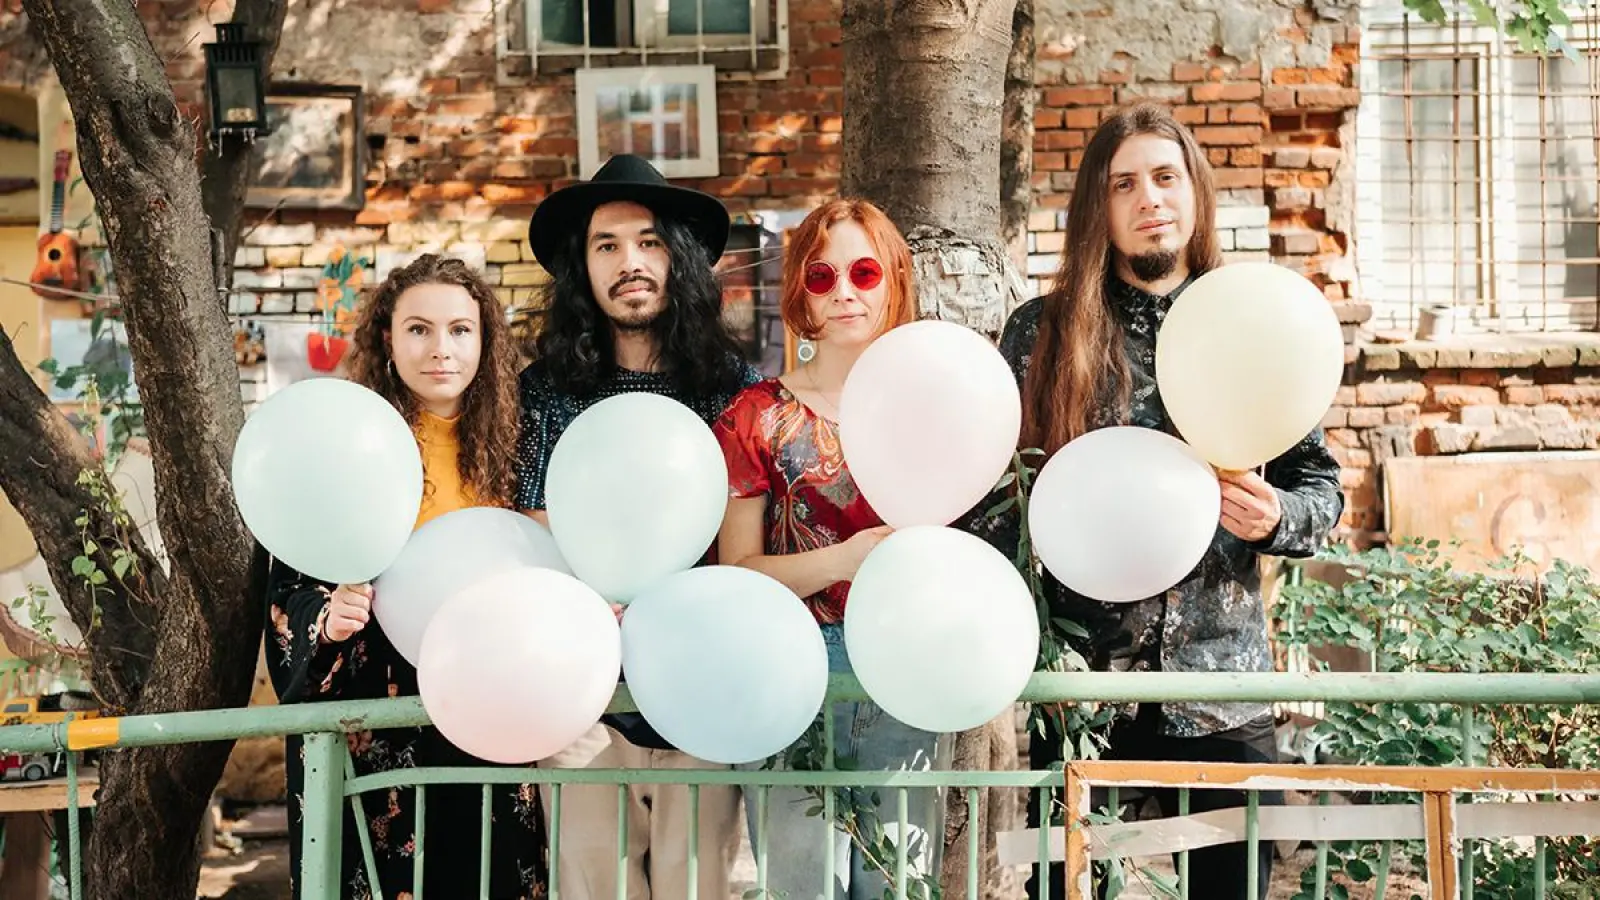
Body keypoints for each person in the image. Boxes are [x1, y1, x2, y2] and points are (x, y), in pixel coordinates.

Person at [967, 102, 1344, 900]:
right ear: (1098, 210)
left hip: (1223, 681)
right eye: (1124, 184)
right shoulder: (1041, 334)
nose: (1150, 200)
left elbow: (1322, 488)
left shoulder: (1250, 322)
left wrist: (1279, 517)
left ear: (1195, 194)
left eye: (1166, 178)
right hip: (1082, 685)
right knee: (1062, 891)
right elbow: (996, 499)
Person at [263, 253, 547, 899]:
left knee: (488, 871)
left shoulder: (517, 445)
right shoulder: (346, 445)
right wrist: (326, 620)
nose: (440, 348)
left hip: (490, 703)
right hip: (378, 720)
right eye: (418, 329)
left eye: (460, 329)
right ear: (387, 341)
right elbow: (291, 582)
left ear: (486, 341)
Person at [516, 153, 760, 900]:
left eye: (649, 242)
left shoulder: (733, 391)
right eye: (607, 245)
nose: (631, 263)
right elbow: (532, 522)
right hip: (583, 704)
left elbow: (746, 538)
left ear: (679, 260)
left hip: (699, 694)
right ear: (581, 270)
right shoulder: (545, 392)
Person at [712, 198, 946, 899]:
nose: (844, 291)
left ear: (893, 281)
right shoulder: (757, 416)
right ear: (800, 296)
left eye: (864, 272)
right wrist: (843, 562)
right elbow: (738, 571)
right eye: (821, 277)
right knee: (801, 884)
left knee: (898, 883)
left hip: (906, 665)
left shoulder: (934, 407)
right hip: (788, 669)